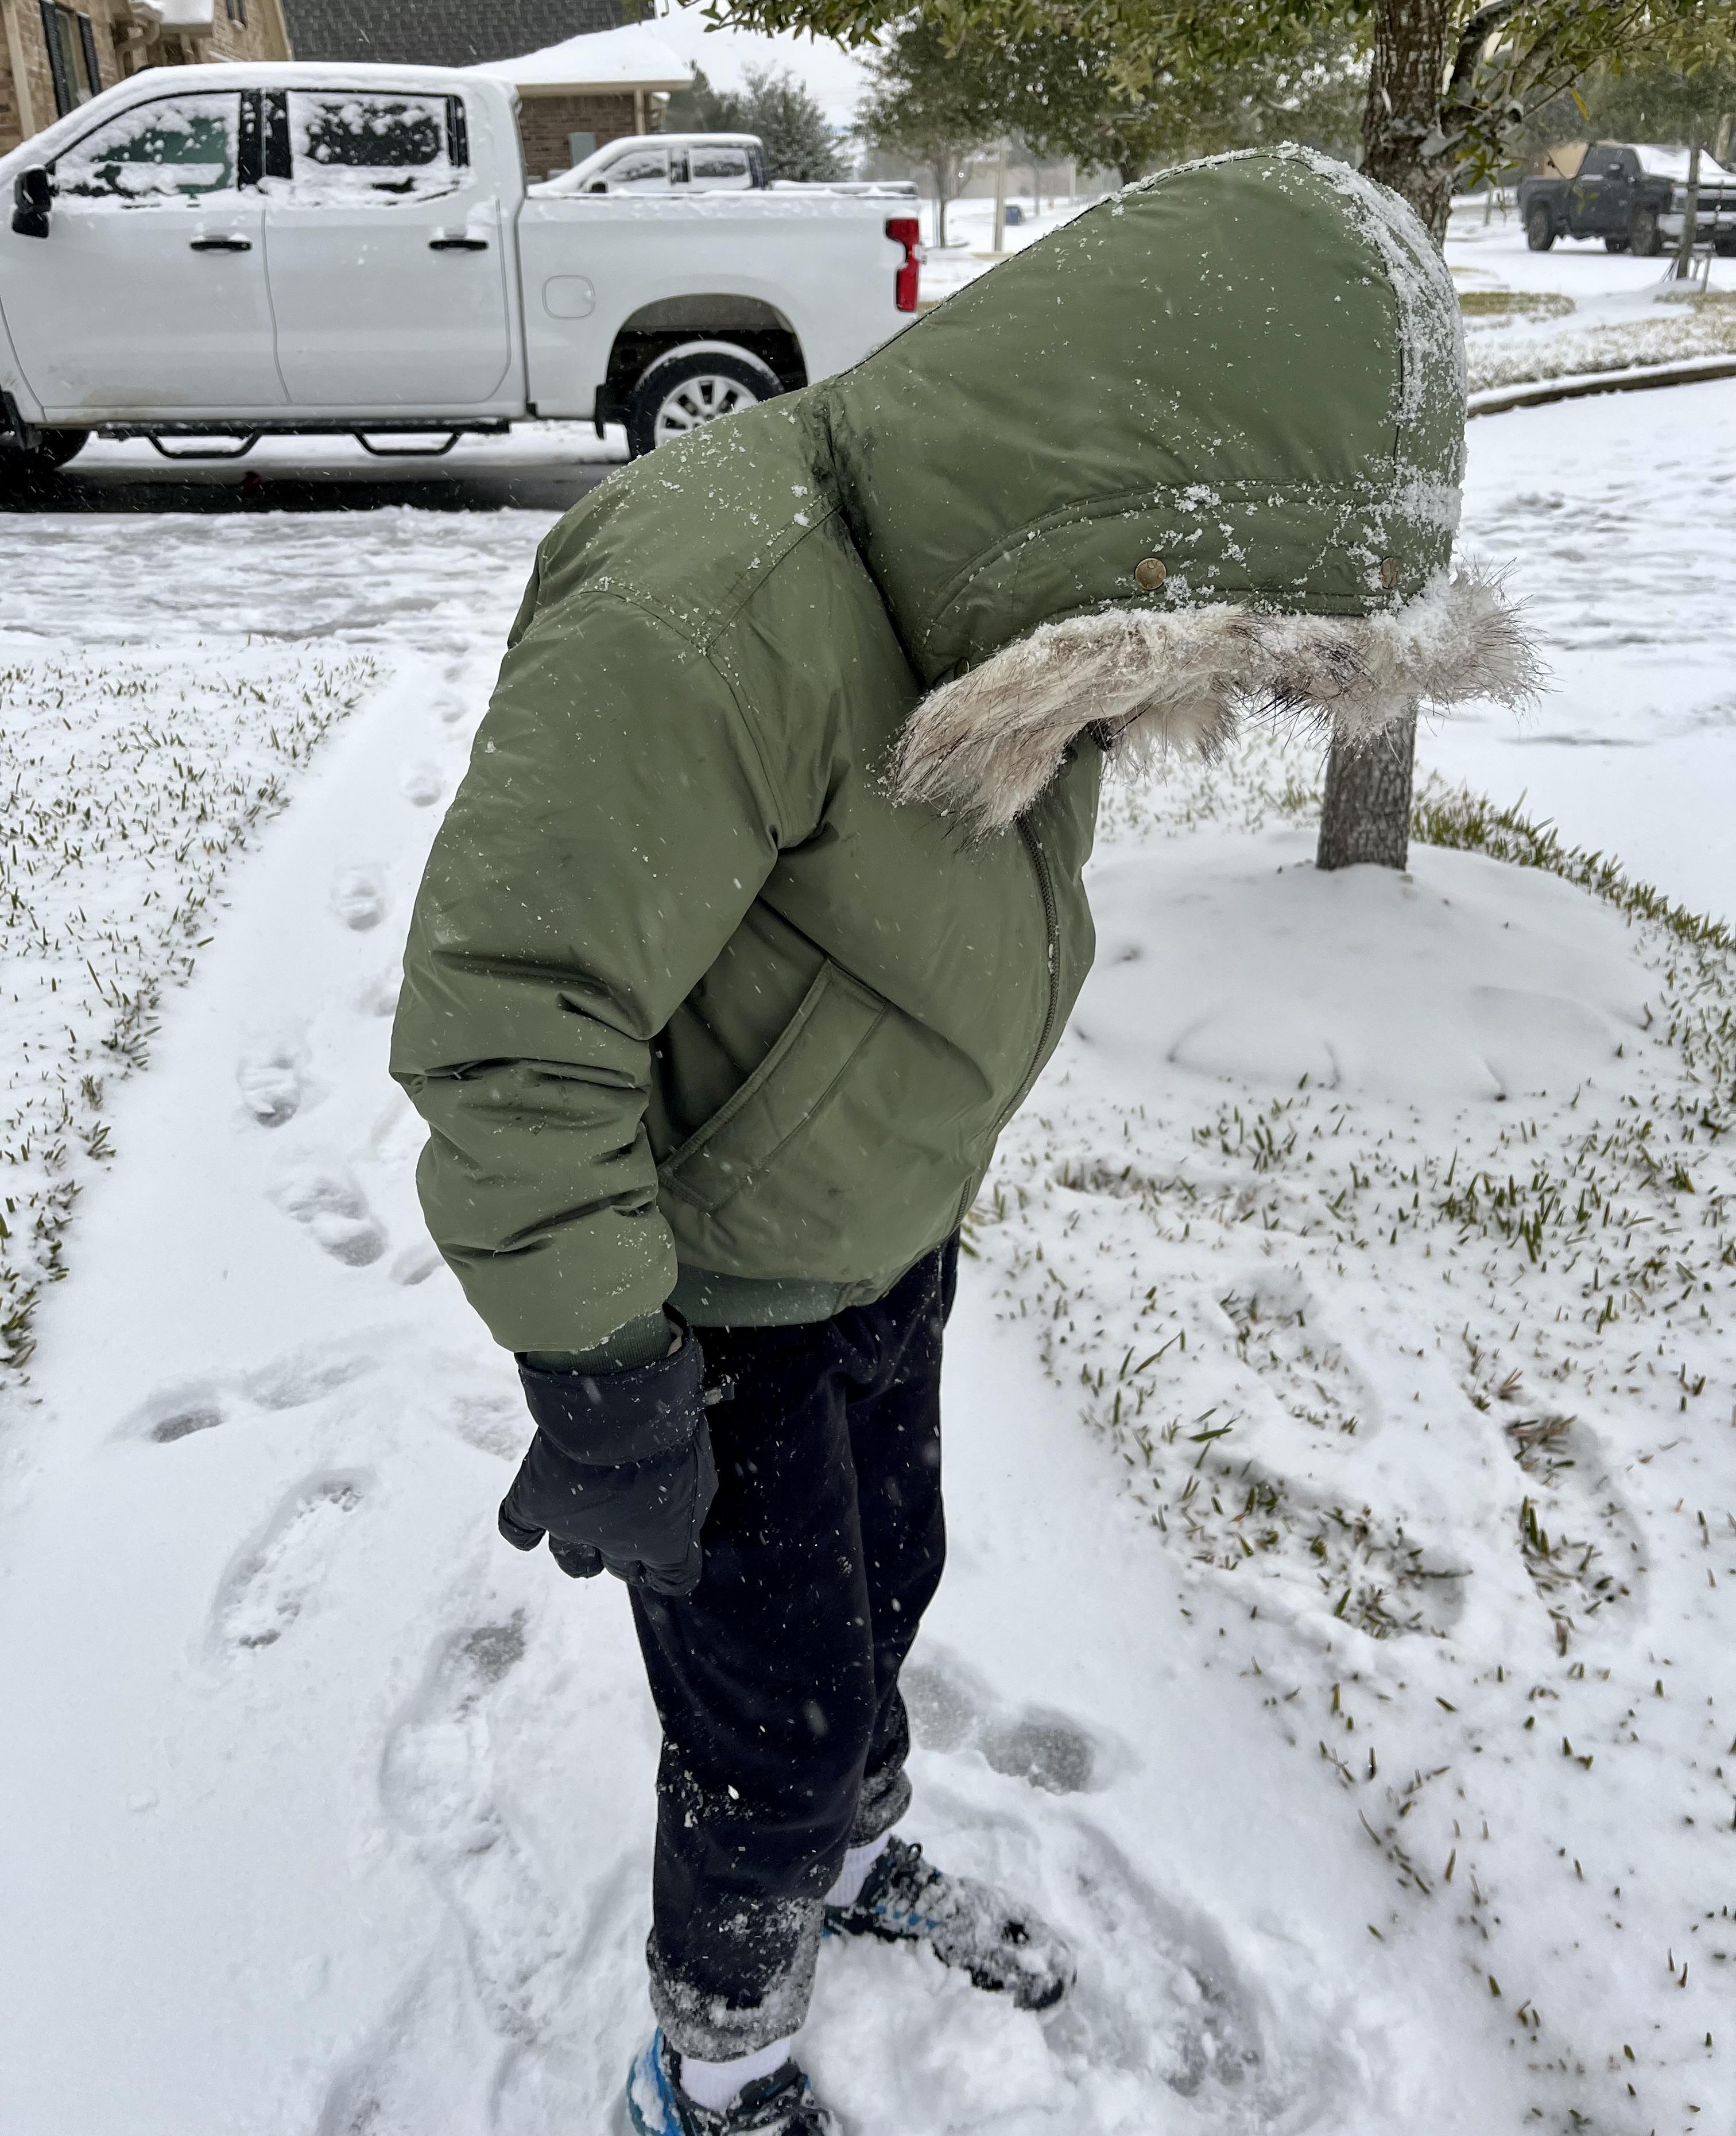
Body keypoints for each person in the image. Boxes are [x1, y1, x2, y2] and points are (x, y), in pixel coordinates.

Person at [392, 144, 1513, 2135]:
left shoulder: (1003, 598)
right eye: (1227, 632)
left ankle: (847, 1860)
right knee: (770, 1725)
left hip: (879, 1243)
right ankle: (718, 2067)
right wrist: (601, 1372)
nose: (1221, 689)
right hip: (710, 1304)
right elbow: (514, 1016)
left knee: (884, 1591)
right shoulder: (710, 604)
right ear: (1128, 500)